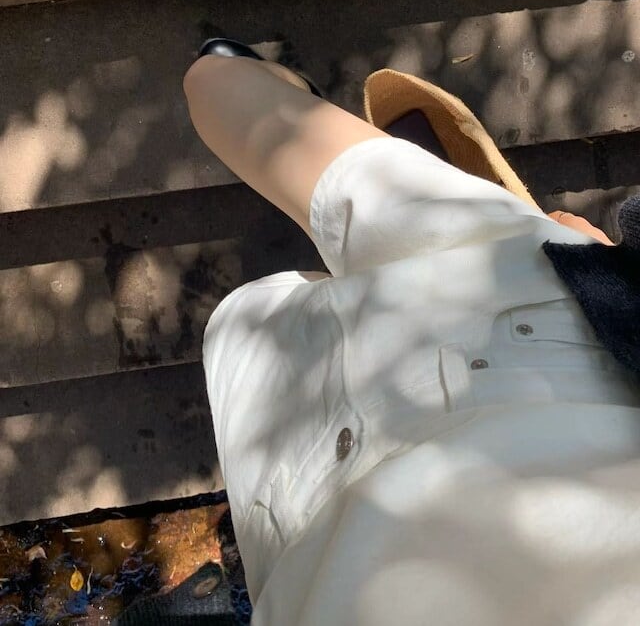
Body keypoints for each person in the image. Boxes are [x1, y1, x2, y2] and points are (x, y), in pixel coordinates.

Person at [182, 39, 640, 626]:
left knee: (217, 86)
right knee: (270, 325)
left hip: (557, 357)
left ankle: (286, 97)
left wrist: (614, 271)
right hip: (318, 538)